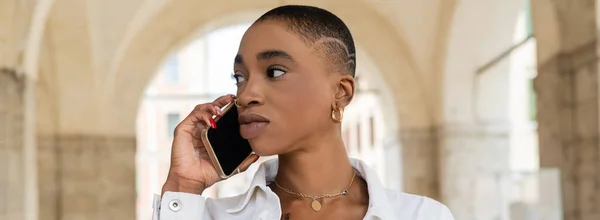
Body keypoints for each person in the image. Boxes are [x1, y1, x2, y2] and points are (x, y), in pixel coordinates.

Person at [153, 5, 454, 220]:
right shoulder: (207, 215)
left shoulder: (423, 215)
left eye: (274, 71)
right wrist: (183, 185)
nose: (246, 95)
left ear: (341, 93)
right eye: (239, 77)